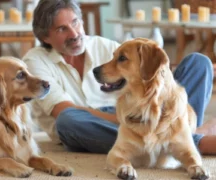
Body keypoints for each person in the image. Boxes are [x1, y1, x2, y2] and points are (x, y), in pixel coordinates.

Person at [23, 0, 216, 154]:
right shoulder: (35, 61)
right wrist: (124, 121)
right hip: (91, 124)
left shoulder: (103, 46)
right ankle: (193, 141)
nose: (74, 34)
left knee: (198, 63)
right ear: (45, 37)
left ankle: (182, 135)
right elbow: (62, 110)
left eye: (75, 22)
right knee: (67, 120)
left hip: (133, 114)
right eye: (62, 29)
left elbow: (147, 74)